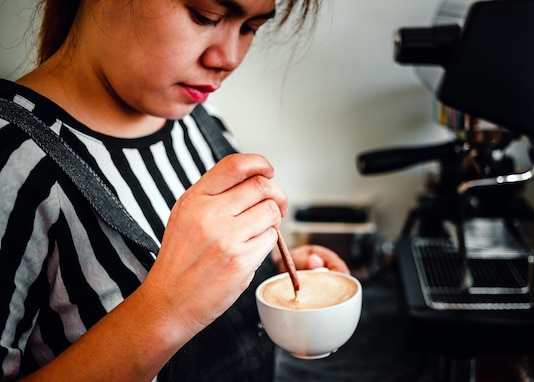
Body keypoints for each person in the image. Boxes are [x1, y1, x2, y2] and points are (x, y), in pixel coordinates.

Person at [0, 0, 349, 380]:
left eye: (250, 28)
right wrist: (167, 308)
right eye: (205, 16)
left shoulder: (202, 123)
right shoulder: (13, 162)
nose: (228, 59)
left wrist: (271, 272)